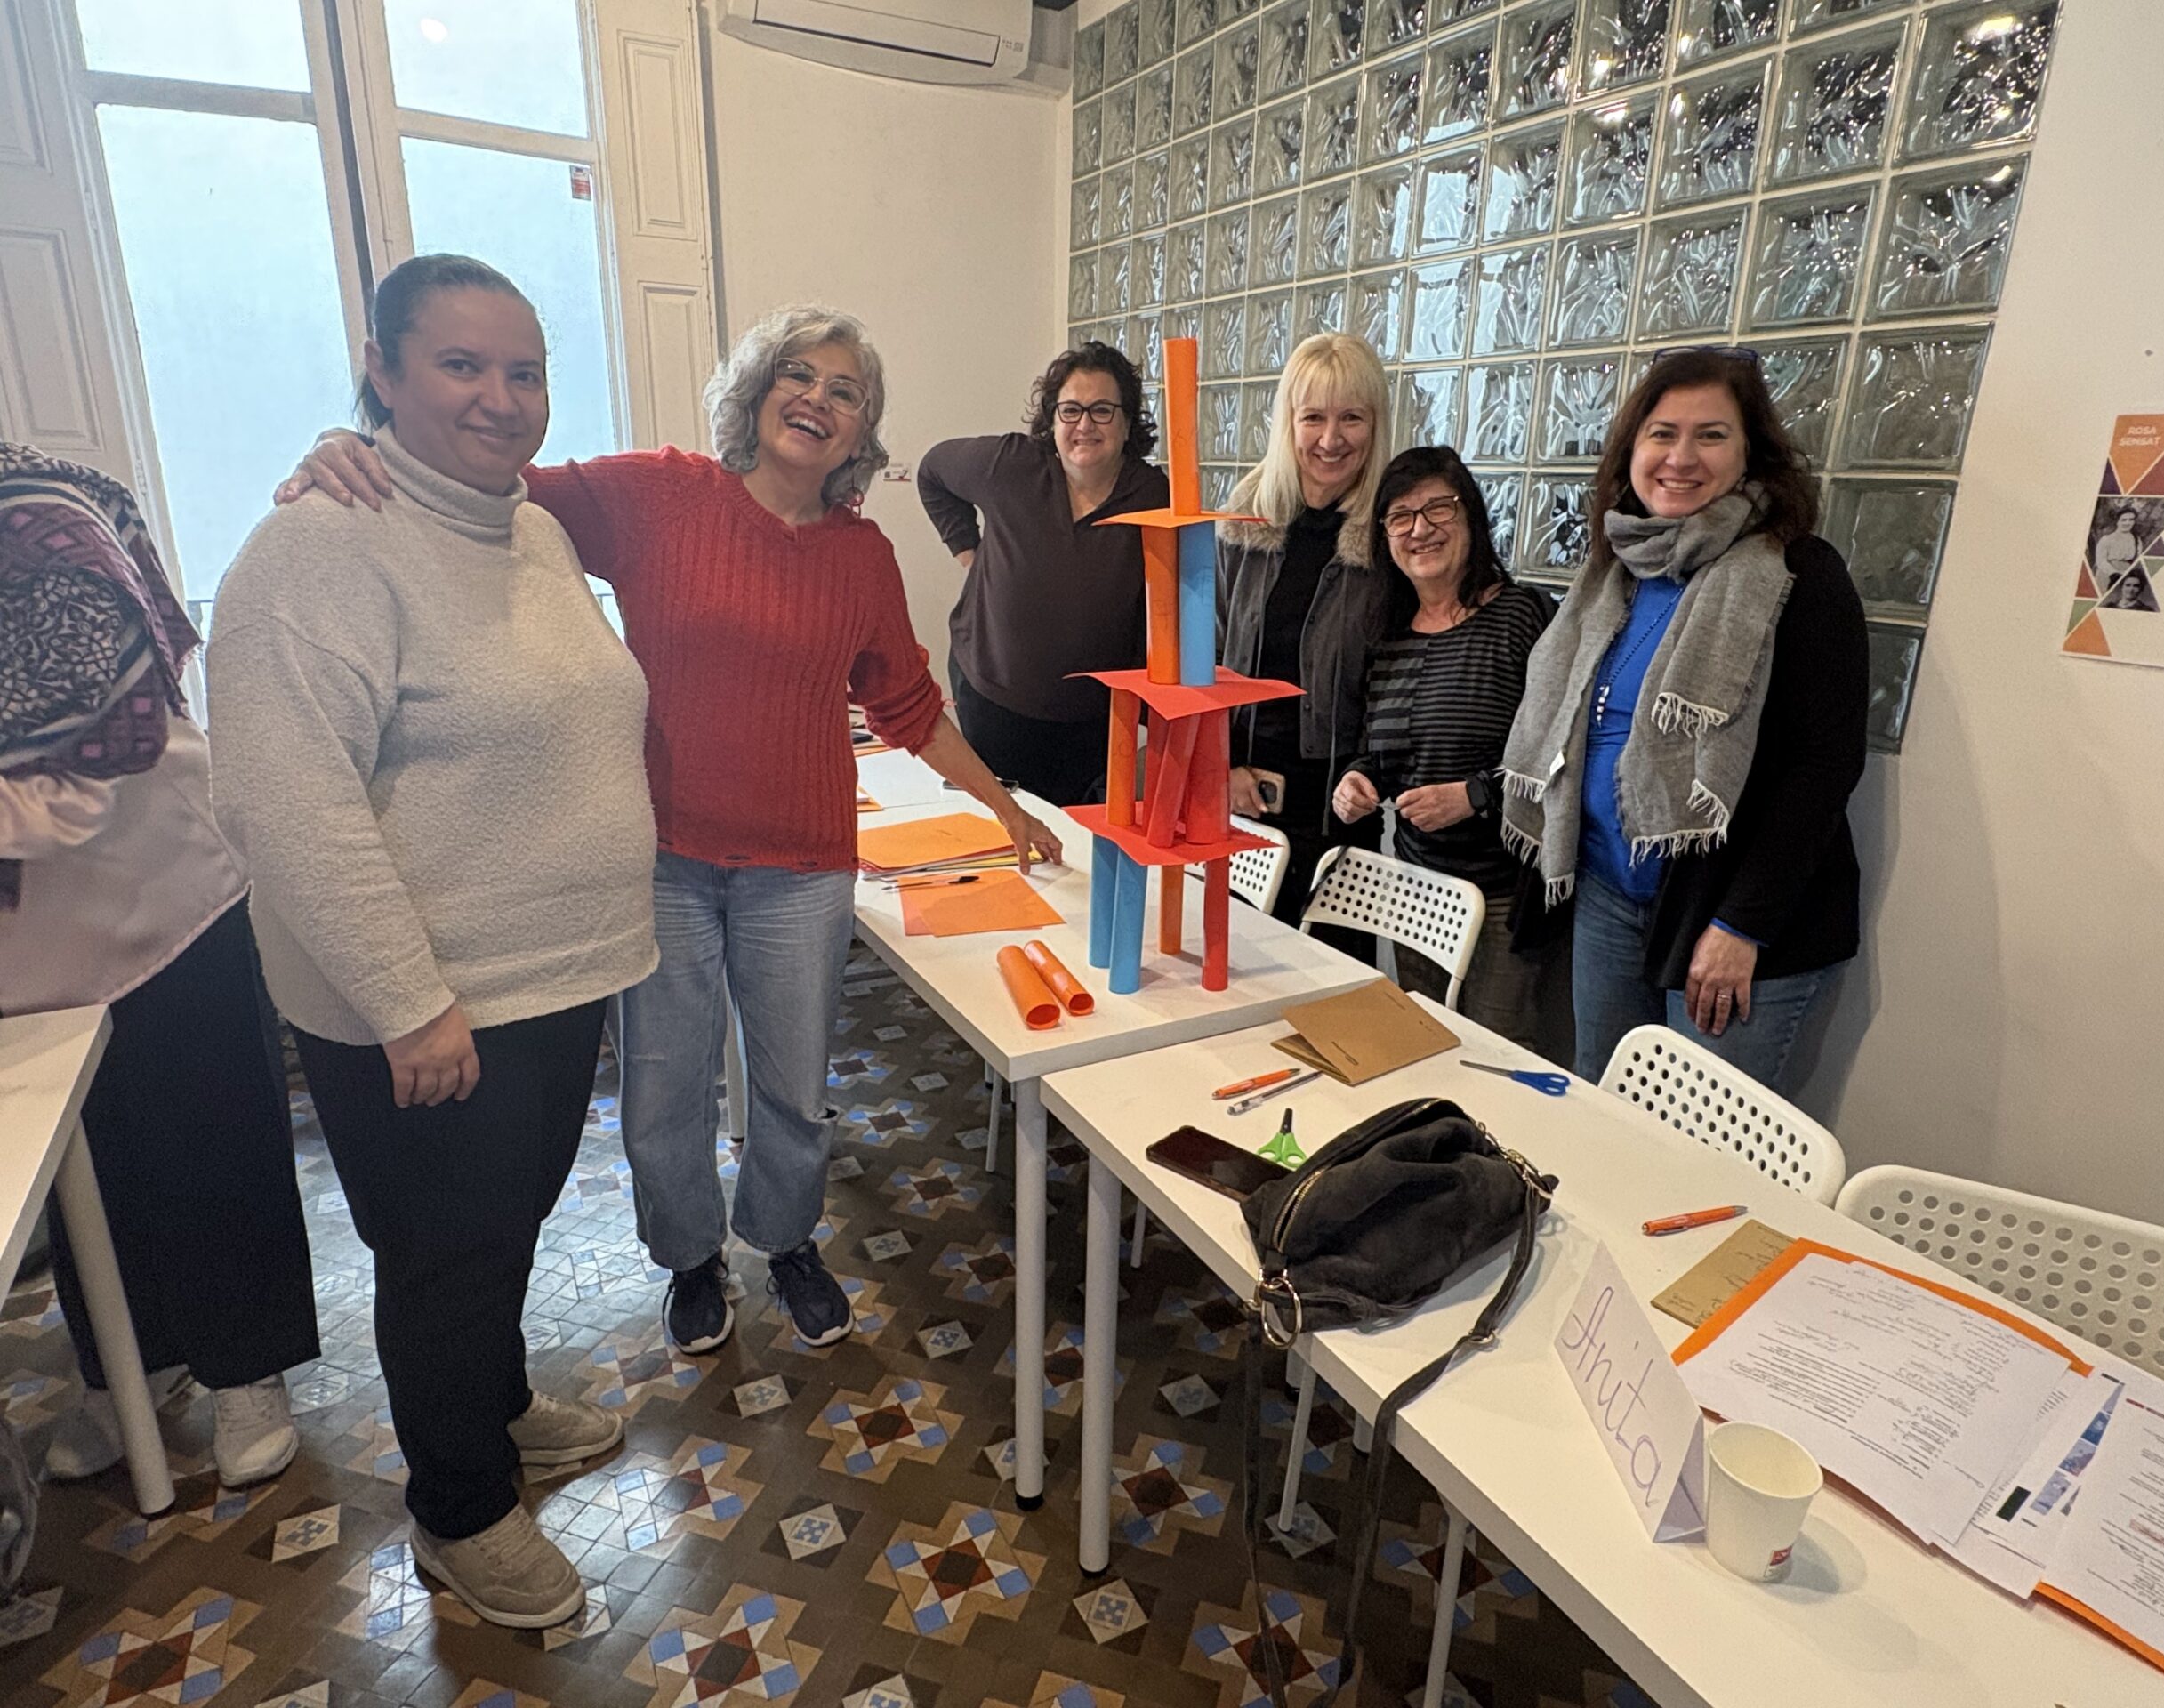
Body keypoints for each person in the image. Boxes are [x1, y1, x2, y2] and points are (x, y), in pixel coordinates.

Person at [276, 303, 1059, 1365]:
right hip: (661, 860)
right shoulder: (658, 494)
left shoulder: (863, 557)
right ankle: (690, 1258)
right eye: (799, 374)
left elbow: (907, 705)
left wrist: (1002, 804)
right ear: (758, 389)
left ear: (860, 430)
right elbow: (480, 477)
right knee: (663, 1088)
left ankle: (785, 1239)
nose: (817, 400)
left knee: (793, 1087)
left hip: (803, 869)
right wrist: (355, 443)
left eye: (846, 392)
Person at [208, 254, 657, 1628]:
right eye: (461, 364)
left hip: (550, 978)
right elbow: (285, 800)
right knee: (443, 1258)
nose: (500, 398)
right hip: (433, 1005)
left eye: (525, 371)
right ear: (384, 373)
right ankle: (459, 1511)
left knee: (499, 1227)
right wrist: (407, 1002)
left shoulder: (528, 530)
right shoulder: (318, 548)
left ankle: (496, 1407)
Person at [0, 444, 318, 1490]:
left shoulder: (45, 525)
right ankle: (127, 1367)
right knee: (85, 1165)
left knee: (208, 1134)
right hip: (28, 948)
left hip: (158, 887)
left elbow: (93, 765)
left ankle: (247, 1367)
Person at [1499, 348, 1868, 1091]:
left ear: (1751, 452)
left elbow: (1823, 767)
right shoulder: (1617, 571)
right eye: (1662, 434)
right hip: (1610, 895)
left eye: (1712, 435)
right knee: (1605, 1102)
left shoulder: (1797, 572)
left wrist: (1741, 926)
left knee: (1698, 1140)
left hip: (1733, 919)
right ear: (1631, 450)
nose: (1681, 457)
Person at [1331, 447, 1571, 1061]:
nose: (1421, 529)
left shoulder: (1522, 615)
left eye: (1439, 508)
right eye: (1401, 517)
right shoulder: (1385, 632)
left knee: (1498, 1057)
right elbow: (1379, 752)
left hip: (1503, 894)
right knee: (1428, 1050)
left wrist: (1475, 796)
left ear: (1471, 518)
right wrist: (1357, 780)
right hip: (1418, 889)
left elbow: (1564, 750)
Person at [919, 342, 1168, 804]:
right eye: (1070, 410)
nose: (1084, 425)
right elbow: (932, 471)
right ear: (1052, 420)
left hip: (1090, 719)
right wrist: (968, 552)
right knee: (997, 825)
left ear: (1127, 422)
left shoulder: (1155, 497)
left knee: (1072, 833)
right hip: (991, 697)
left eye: (1102, 411)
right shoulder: (1010, 465)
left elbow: (1167, 604)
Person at [1217, 333, 1394, 927]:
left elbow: (1402, 678)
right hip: (1239, 795)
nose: (1330, 439)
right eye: (1313, 417)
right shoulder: (1243, 521)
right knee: (1227, 959)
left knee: (1332, 975)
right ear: (1288, 422)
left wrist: (1370, 774)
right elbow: (1203, 659)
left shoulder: (1392, 537)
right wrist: (1221, 767)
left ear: (1376, 424)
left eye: (1352, 418)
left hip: (1340, 811)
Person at [2094, 505, 2140, 592]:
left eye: (2131, 520)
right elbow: (2101, 561)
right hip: (2107, 574)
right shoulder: (2107, 539)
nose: (2127, 523)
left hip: (2127, 575)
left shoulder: (2136, 540)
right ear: (2117, 521)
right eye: (2124, 520)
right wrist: (2114, 573)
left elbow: (2137, 560)